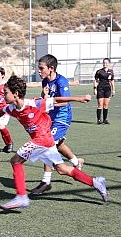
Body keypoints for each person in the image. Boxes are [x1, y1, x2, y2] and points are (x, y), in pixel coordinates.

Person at [0, 75, 108, 209]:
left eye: (5, 93)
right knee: (62, 169)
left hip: (42, 140)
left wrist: (79, 98)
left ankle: (22, 197)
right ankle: (95, 182)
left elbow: (57, 100)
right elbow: (2, 111)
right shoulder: (12, 108)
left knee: (15, 161)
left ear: (16, 94)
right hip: (46, 141)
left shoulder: (34, 103)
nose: (3, 95)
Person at [31, 54, 85, 196]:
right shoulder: (45, 82)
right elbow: (45, 100)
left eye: (41, 68)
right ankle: (76, 161)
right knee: (58, 144)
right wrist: (44, 96)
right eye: (39, 68)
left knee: (47, 144)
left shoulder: (61, 81)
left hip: (62, 118)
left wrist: (50, 100)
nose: (39, 71)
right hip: (50, 118)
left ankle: (46, 182)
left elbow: (65, 102)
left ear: (51, 68)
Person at [94, 57, 115, 125]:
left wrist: (113, 89)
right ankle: (99, 120)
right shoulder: (99, 71)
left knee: (106, 105)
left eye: (106, 63)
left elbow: (112, 80)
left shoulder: (111, 71)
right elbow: (96, 80)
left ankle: (105, 119)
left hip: (108, 89)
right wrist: (94, 89)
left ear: (108, 63)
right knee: (100, 104)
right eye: (104, 63)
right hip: (100, 88)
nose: (104, 64)